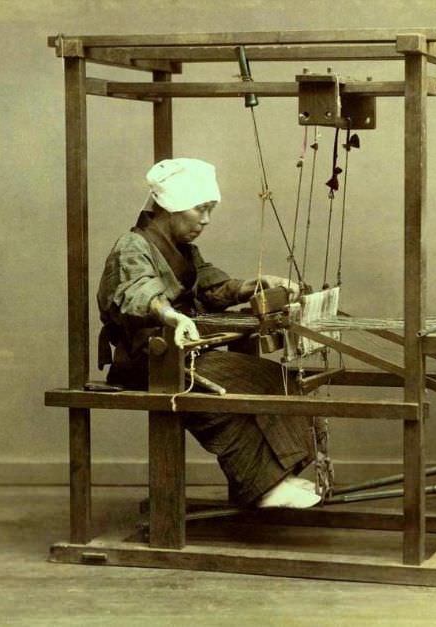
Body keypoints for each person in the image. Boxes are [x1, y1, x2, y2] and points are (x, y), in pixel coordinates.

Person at [97, 157, 320, 509]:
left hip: (181, 354)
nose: (206, 220)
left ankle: (280, 476)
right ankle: (263, 486)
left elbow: (211, 287)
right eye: (200, 209)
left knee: (273, 377)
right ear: (172, 208)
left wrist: (253, 286)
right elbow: (136, 292)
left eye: (209, 210)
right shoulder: (133, 247)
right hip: (149, 361)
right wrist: (169, 315)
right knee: (232, 394)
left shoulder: (183, 250)